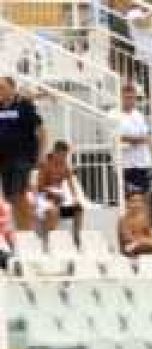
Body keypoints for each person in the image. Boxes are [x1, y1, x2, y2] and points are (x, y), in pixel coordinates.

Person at [0, 76, 47, 234]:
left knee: (19, 194)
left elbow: (41, 131)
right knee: (9, 197)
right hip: (4, 159)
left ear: (12, 88)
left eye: (2, 87)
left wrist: (41, 155)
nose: (0, 91)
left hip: (23, 158)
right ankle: (21, 230)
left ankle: (27, 232)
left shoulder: (24, 106)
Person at [31, 140, 84, 251]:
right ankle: (48, 241)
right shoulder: (45, 164)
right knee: (53, 210)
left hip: (58, 199)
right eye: (62, 155)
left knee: (79, 208)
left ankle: (76, 239)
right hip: (43, 198)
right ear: (55, 152)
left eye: (65, 156)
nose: (64, 158)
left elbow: (71, 183)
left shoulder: (64, 165)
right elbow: (39, 187)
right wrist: (53, 193)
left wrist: (75, 198)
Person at [113, 82, 152, 203]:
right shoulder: (114, 114)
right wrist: (138, 139)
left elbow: (146, 136)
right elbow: (117, 137)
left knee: (146, 199)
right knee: (132, 201)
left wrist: (138, 139)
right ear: (120, 97)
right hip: (126, 165)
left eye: (133, 98)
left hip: (143, 163)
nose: (130, 101)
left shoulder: (139, 115)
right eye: (127, 97)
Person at [116, 190, 152, 260]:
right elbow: (128, 239)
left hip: (144, 244)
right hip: (129, 247)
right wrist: (143, 240)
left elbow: (150, 235)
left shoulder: (144, 218)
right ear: (127, 203)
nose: (137, 204)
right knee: (144, 243)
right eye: (134, 201)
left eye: (140, 201)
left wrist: (147, 240)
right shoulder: (123, 220)